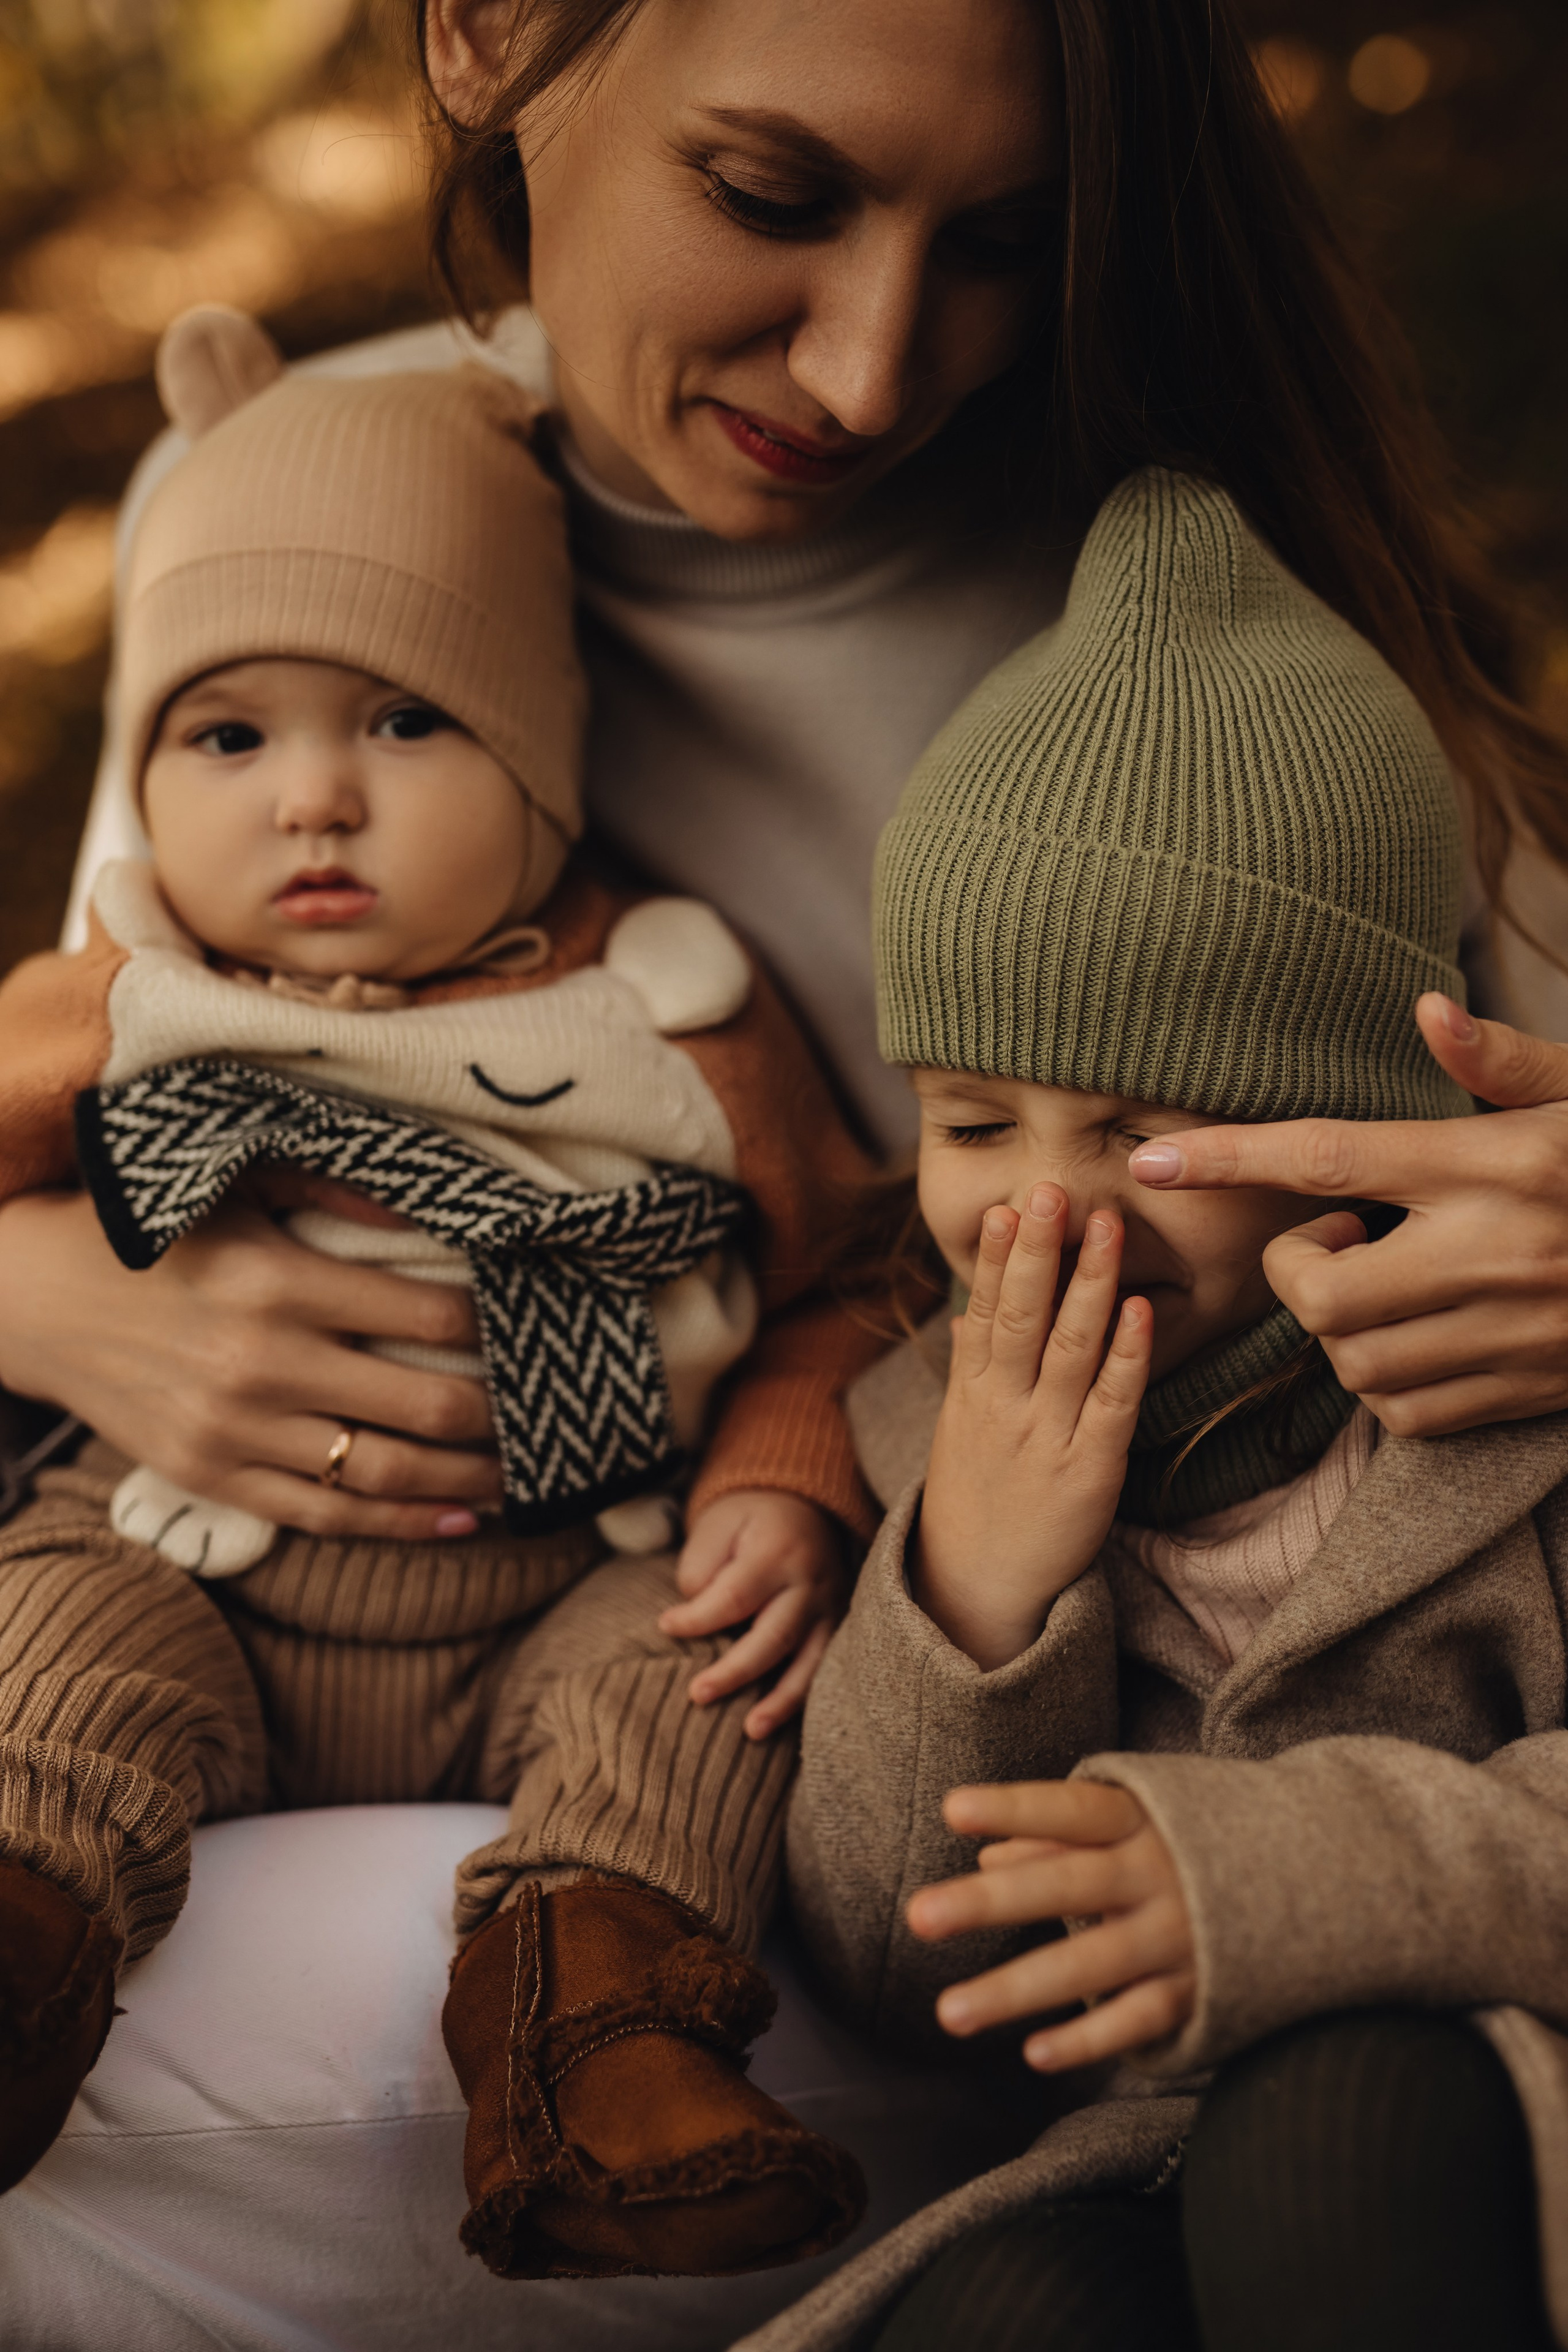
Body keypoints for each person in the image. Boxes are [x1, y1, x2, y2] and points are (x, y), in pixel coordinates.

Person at [9, 0, 1568, 1594]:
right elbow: (114, 1032)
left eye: (1002, 245)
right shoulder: (270, 486)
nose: (870, 378)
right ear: (481, 35)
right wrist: (45, 1300)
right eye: (770, 196)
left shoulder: (1222, 600)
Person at [0, 304, 878, 2280]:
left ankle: (600, 2033)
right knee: (54, 1641)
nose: (315, 796)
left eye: (405, 723)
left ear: (546, 760)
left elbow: (854, 1266)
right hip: (198, 1563)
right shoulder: (116, 1007)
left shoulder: (670, 1016)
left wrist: (785, 1469)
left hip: (564, 1571)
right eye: (232, 737)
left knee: (703, 1687)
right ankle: (22, 1924)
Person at [756, 466, 1568, 2352]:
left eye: (1146, 1132)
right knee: (1003, 2306)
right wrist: (971, 1594)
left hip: (1488, 2102)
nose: (1044, 1203)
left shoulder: (1513, 1389)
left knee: (1331, 2135)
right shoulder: (924, 1429)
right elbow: (897, 1971)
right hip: (1123, 2168)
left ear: (1350, 1125)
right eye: (973, 1124)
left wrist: (1304, 1878)